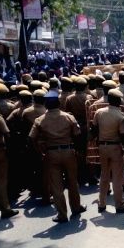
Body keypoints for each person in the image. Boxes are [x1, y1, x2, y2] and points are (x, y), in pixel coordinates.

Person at [30, 92, 86, 223]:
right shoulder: (68, 117)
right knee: (73, 182)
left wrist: (40, 151)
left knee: (56, 186)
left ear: (45, 104)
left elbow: (32, 138)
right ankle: (76, 208)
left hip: (51, 153)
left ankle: (62, 214)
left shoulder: (40, 120)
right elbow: (77, 134)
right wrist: (77, 150)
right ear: (58, 103)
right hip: (68, 151)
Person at [92, 89, 124, 214]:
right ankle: (119, 205)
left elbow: (94, 129)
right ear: (119, 101)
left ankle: (101, 203)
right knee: (117, 177)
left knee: (104, 175)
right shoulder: (120, 116)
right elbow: (123, 134)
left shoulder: (99, 112)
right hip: (115, 147)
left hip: (102, 147)